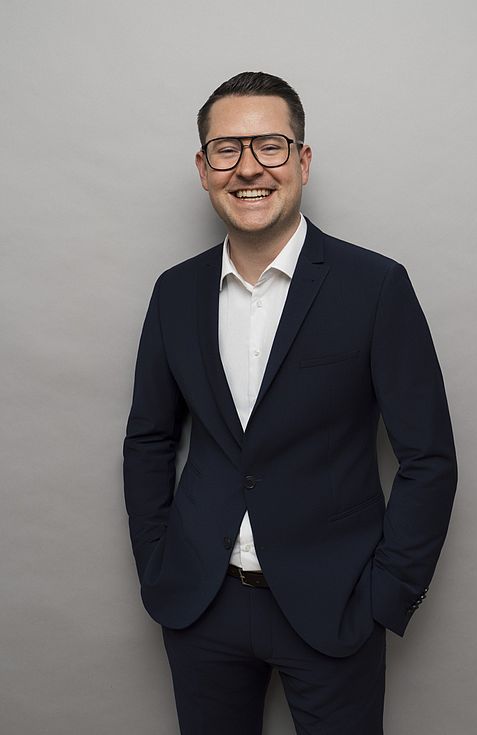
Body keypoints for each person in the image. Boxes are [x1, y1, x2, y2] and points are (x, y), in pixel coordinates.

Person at [123, 71, 458, 734]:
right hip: (200, 605)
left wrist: (386, 593)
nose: (248, 167)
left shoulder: (375, 287)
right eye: (226, 149)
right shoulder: (174, 293)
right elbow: (149, 440)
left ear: (302, 161)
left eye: (269, 146)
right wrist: (160, 565)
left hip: (335, 604)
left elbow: (428, 457)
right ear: (203, 169)